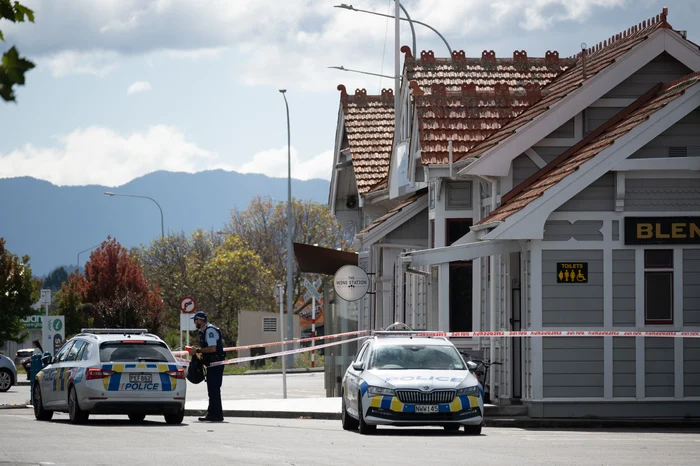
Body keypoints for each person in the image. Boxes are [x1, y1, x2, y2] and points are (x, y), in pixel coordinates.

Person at [187, 311, 225, 422]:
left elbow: (212, 348)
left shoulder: (210, 331)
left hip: (215, 364)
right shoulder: (205, 330)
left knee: (214, 390)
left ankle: (216, 415)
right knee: (212, 390)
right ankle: (213, 413)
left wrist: (197, 350)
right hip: (211, 364)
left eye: (195, 321)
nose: (195, 323)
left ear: (199, 320)